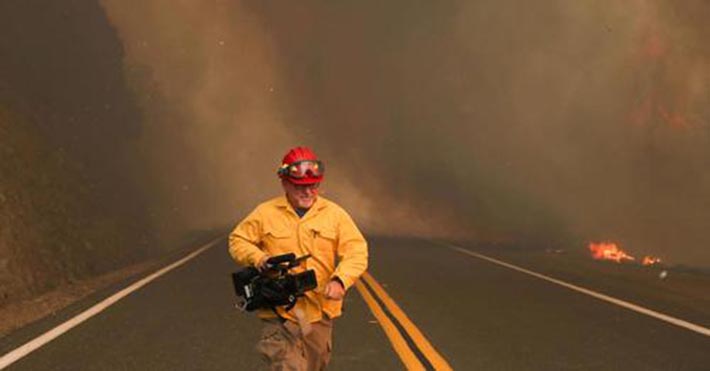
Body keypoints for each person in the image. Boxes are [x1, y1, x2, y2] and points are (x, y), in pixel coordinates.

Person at [229, 146, 368, 371]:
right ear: (284, 183)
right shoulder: (266, 213)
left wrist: (340, 280)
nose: (307, 192)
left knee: (316, 364)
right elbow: (237, 240)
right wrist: (259, 257)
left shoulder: (335, 215)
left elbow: (357, 251)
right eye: (300, 187)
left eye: (313, 186)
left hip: (317, 311)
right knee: (288, 365)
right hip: (279, 312)